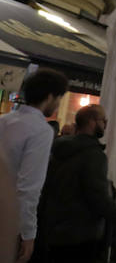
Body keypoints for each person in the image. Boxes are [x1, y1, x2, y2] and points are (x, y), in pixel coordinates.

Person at [36, 104, 116, 262]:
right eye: (103, 120)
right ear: (92, 122)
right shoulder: (94, 155)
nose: (105, 124)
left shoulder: (58, 149)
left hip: (51, 228)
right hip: (80, 231)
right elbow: (98, 196)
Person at [0, 67, 68, 263]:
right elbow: (28, 187)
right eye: (59, 98)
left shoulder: (4, 120)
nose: (57, 104)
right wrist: (28, 233)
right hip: (9, 219)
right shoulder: (41, 131)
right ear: (49, 97)